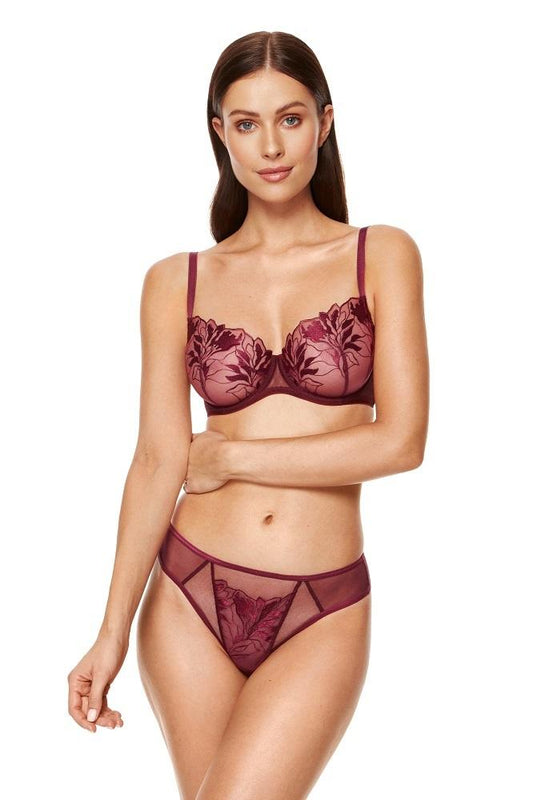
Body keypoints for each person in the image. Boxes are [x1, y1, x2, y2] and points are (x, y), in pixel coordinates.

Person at [67, 30, 429, 800]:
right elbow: (156, 460)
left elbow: (400, 442)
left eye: (290, 119)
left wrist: (231, 457)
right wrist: (109, 633)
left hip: (321, 605)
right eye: (245, 123)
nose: (269, 145)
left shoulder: (380, 255)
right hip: (187, 592)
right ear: (219, 132)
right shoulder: (175, 281)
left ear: (324, 124)